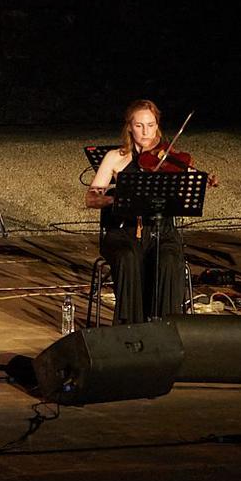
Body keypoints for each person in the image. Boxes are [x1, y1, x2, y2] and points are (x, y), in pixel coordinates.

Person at [86, 99, 214, 324]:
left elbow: (183, 200)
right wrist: (117, 199)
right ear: (129, 127)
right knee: (128, 258)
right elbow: (91, 198)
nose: (146, 132)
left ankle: (166, 326)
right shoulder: (116, 157)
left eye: (151, 125)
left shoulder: (169, 158)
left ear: (158, 126)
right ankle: (130, 326)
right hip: (123, 233)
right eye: (139, 126)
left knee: (169, 260)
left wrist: (196, 183)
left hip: (162, 232)